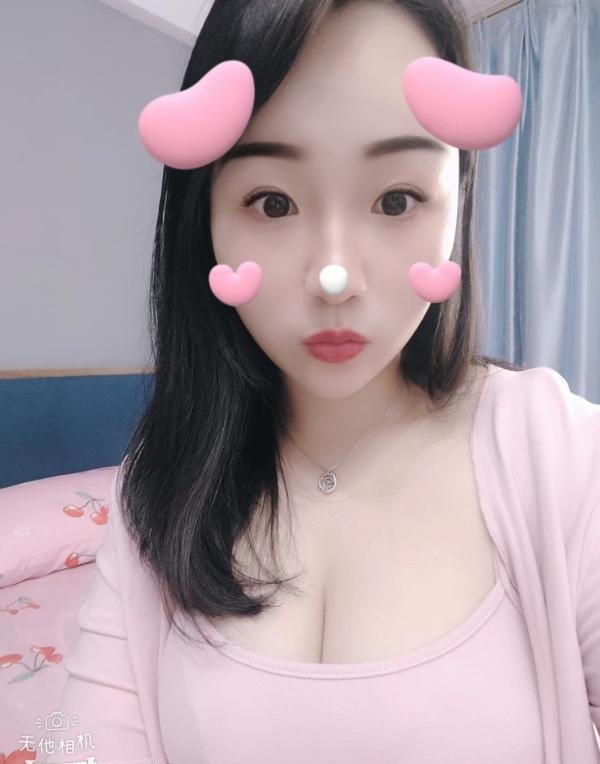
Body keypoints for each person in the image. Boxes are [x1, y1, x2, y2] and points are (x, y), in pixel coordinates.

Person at [36, 1, 600, 763]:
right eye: (273, 202)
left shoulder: (563, 455)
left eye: (396, 199)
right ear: (207, 217)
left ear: (458, 200)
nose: (335, 276)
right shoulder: (160, 485)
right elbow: (74, 741)